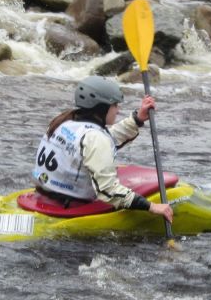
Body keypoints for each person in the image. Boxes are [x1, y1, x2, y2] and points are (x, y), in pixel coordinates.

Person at [32, 76, 174, 224]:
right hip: (70, 206)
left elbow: (103, 141)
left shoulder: (65, 121)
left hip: (46, 194)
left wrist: (137, 119)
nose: (118, 110)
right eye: (115, 105)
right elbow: (108, 190)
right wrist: (152, 206)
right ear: (102, 108)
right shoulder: (94, 137)